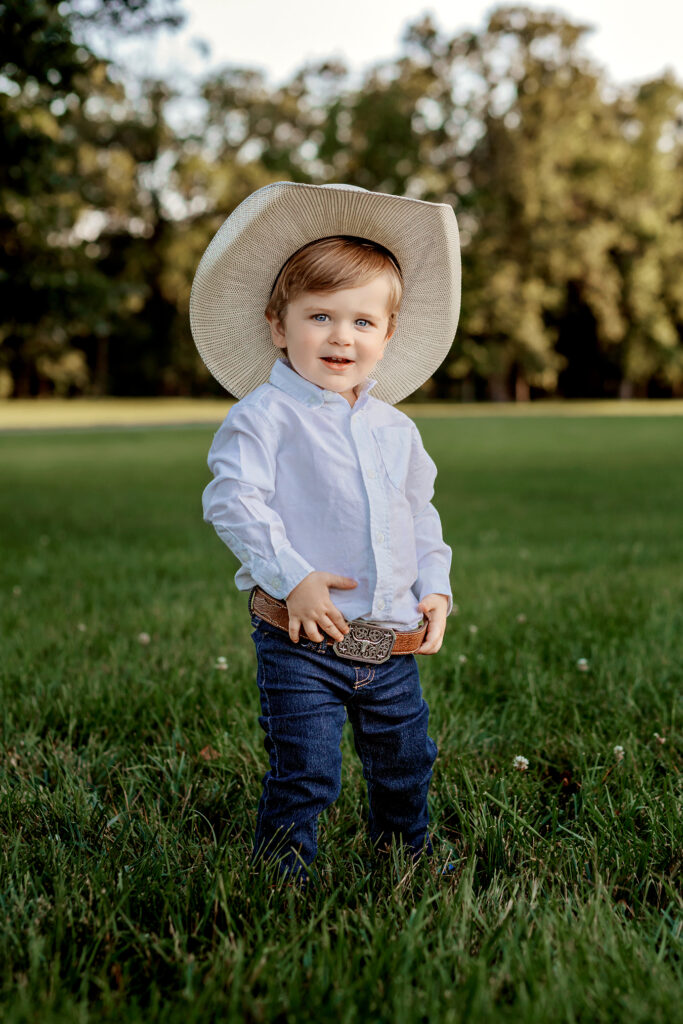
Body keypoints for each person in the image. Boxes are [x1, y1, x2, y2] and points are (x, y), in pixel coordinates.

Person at [190, 181, 461, 884]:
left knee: (406, 759)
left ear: (387, 335)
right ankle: (283, 873)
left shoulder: (394, 429)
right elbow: (233, 500)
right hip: (299, 637)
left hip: (390, 639)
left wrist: (436, 589)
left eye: (363, 322)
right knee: (306, 766)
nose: (342, 336)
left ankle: (404, 850)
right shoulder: (263, 417)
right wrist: (294, 576)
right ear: (279, 325)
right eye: (320, 316)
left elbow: (418, 516)